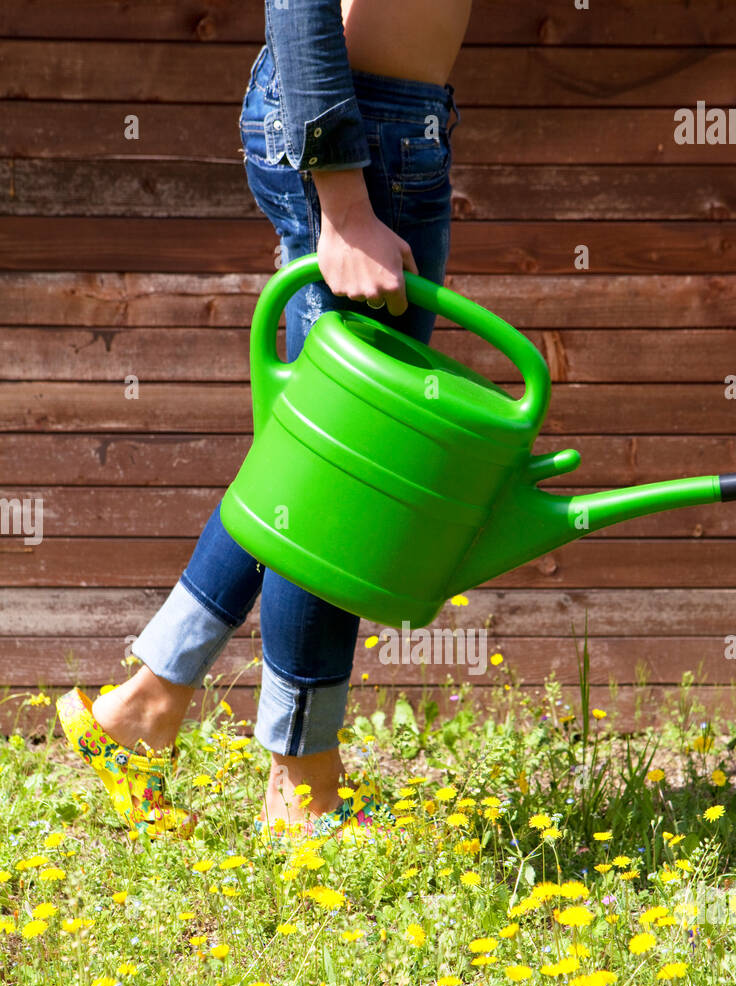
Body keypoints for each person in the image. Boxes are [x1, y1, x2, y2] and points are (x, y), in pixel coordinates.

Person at [57, 0, 471, 841]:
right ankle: (303, 786)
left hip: (383, 123)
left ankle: (145, 707)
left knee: (313, 454)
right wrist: (344, 198)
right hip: (360, 128)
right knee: (336, 474)